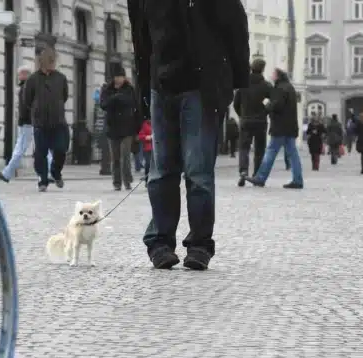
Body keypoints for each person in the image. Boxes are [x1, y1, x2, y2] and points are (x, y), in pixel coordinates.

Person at [128, 0, 250, 270]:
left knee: (198, 171)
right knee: (161, 172)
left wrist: (237, 81)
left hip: (201, 86)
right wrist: (143, 91)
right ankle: (159, 243)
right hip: (160, 86)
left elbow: (236, 26)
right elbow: (141, 40)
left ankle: (199, 246)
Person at [245, 69, 303, 189]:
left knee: (270, 151)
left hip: (280, 126)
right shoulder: (290, 87)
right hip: (291, 126)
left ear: (277, 76)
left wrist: (266, 105)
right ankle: (298, 180)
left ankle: (260, 178)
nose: (271, 76)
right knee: (293, 154)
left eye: (273, 74)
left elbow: (277, 106)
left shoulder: (280, 89)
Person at [0, 65, 52, 182]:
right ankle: (50, 173)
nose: (18, 75)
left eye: (20, 74)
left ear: (25, 75)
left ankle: (7, 174)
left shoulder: (26, 88)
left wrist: (22, 119)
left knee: (20, 149)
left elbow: (27, 108)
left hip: (28, 123)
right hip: (37, 123)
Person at [24, 47, 69, 192]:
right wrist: (37, 109)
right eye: (49, 61)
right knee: (40, 153)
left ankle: (56, 172)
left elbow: (65, 96)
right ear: (42, 62)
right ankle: (43, 180)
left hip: (58, 121)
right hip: (40, 122)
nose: (51, 64)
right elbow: (27, 99)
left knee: (61, 149)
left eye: (52, 61)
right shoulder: (33, 79)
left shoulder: (61, 78)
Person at [99, 62, 140, 191]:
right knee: (115, 158)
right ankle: (116, 182)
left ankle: (127, 180)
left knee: (125, 156)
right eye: (116, 76)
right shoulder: (107, 89)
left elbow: (132, 103)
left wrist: (137, 128)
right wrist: (116, 98)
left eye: (120, 76)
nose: (118, 79)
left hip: (127, 128)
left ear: (124, 77)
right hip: (112, 128)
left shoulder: (130, 89)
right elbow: (103, 104)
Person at [233, 58, 272, 186]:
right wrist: (265, 112)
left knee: (243, 148)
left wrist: (242, 115)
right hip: (261, 122)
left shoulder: (243, 84)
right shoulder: (266, 86)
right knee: (260, 149)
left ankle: (243, 171)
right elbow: (272, 103)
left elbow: (236, 103)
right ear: (263, 69)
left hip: (246, 121)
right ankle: (256, 175)